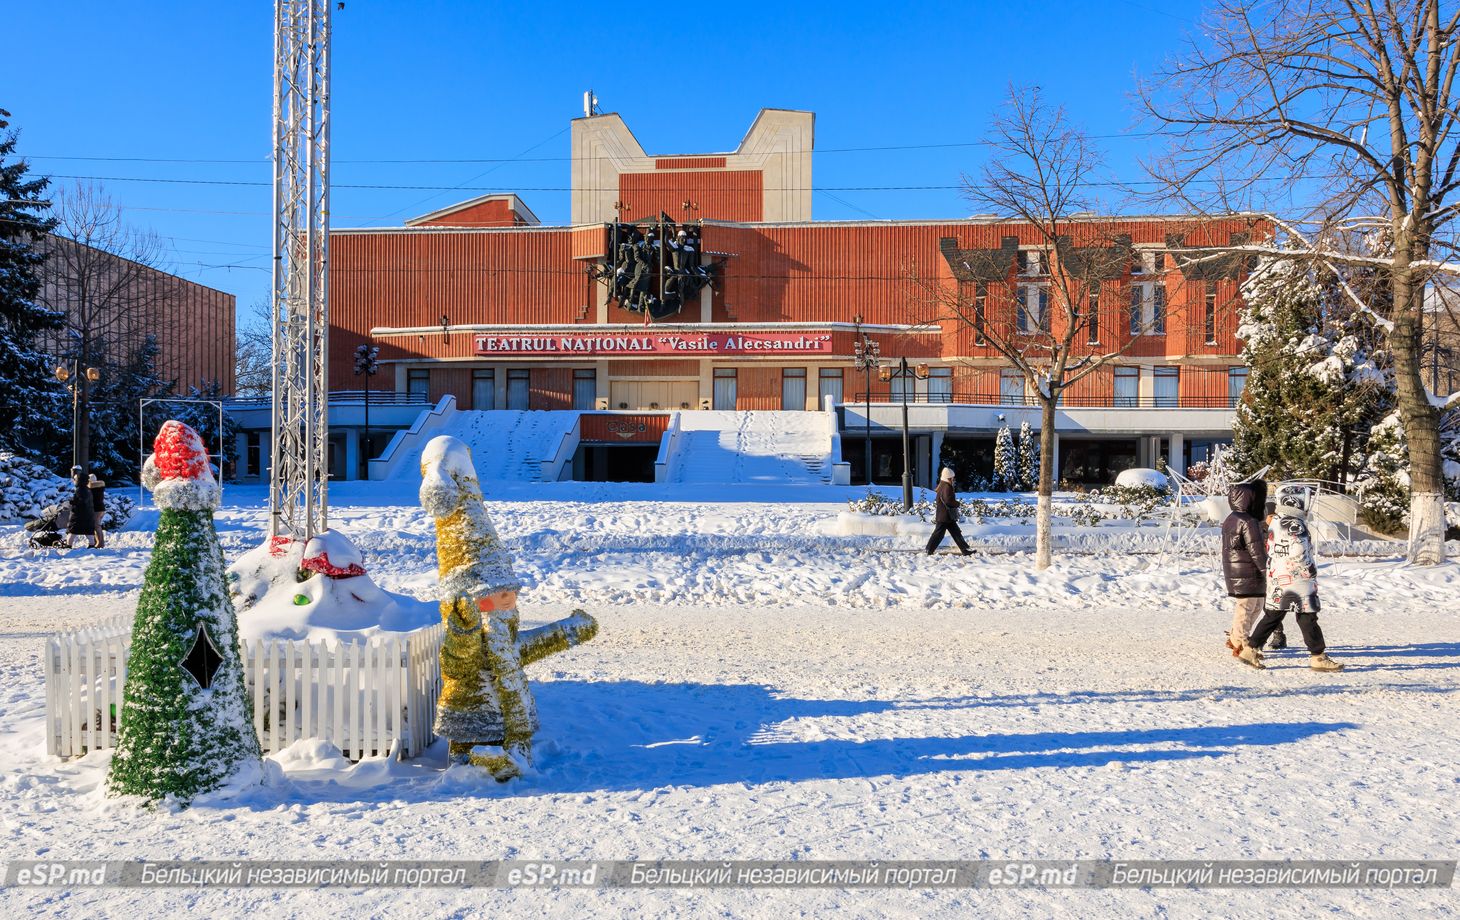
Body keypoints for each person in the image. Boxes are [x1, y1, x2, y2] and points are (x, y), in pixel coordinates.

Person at [1238, 486, 1343, 672]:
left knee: (1273, 615)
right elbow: (1298, 550)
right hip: (1298, 580)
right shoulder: (1295, 523)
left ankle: (1251, 649)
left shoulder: (1277, 520)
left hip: (1278, 577)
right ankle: (1318, 656)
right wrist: (1309, 568)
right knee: (1307, 617)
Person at [1221, 480, 1268, 657]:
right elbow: (1256, 550)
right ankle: (1240, 642)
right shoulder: (1248, 521)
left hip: (1239, 570)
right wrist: (1266, 571)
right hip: (1247, 570)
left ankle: (1236, 637)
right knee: (1247, 607)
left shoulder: (1231, 519)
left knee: (1255, 605)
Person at [925, 467, 973, 556]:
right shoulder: (947, 486)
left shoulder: (942, 485)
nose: (953, 479)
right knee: (939, 534)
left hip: (945, 515)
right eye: (952, 477)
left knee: (956, 533)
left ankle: (965, 550)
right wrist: (957, 504)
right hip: (945, 516)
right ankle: (929, 549)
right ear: (949, 478)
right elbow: (948, 500)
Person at [1261, 499, 1286, 650]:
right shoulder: (1258, 530)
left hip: (1278, 573)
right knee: (1263, 607)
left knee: (1273, 607)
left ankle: (1278, 634)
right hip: (1263, 573)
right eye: (1271, 515)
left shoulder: (1281, 530)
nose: (1273, 518)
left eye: (1275, 515)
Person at [65, 466, 98, 549]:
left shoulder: (79, 490)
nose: (74, 481)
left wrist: (71, 502)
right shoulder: (87, 489)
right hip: (88, 514)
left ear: (79, 480)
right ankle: (91, 544)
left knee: (73, 530)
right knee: (88, 530)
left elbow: (79, 502)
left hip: (78, 515)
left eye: (75, 480)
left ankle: (68, 545)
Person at [88, 473, 107, 549]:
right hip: (101, 509)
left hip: (96, 509)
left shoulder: (92, 489)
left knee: (96, 526)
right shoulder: (100, 488)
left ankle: (100, 543)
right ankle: (99, 542)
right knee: (97, 526)